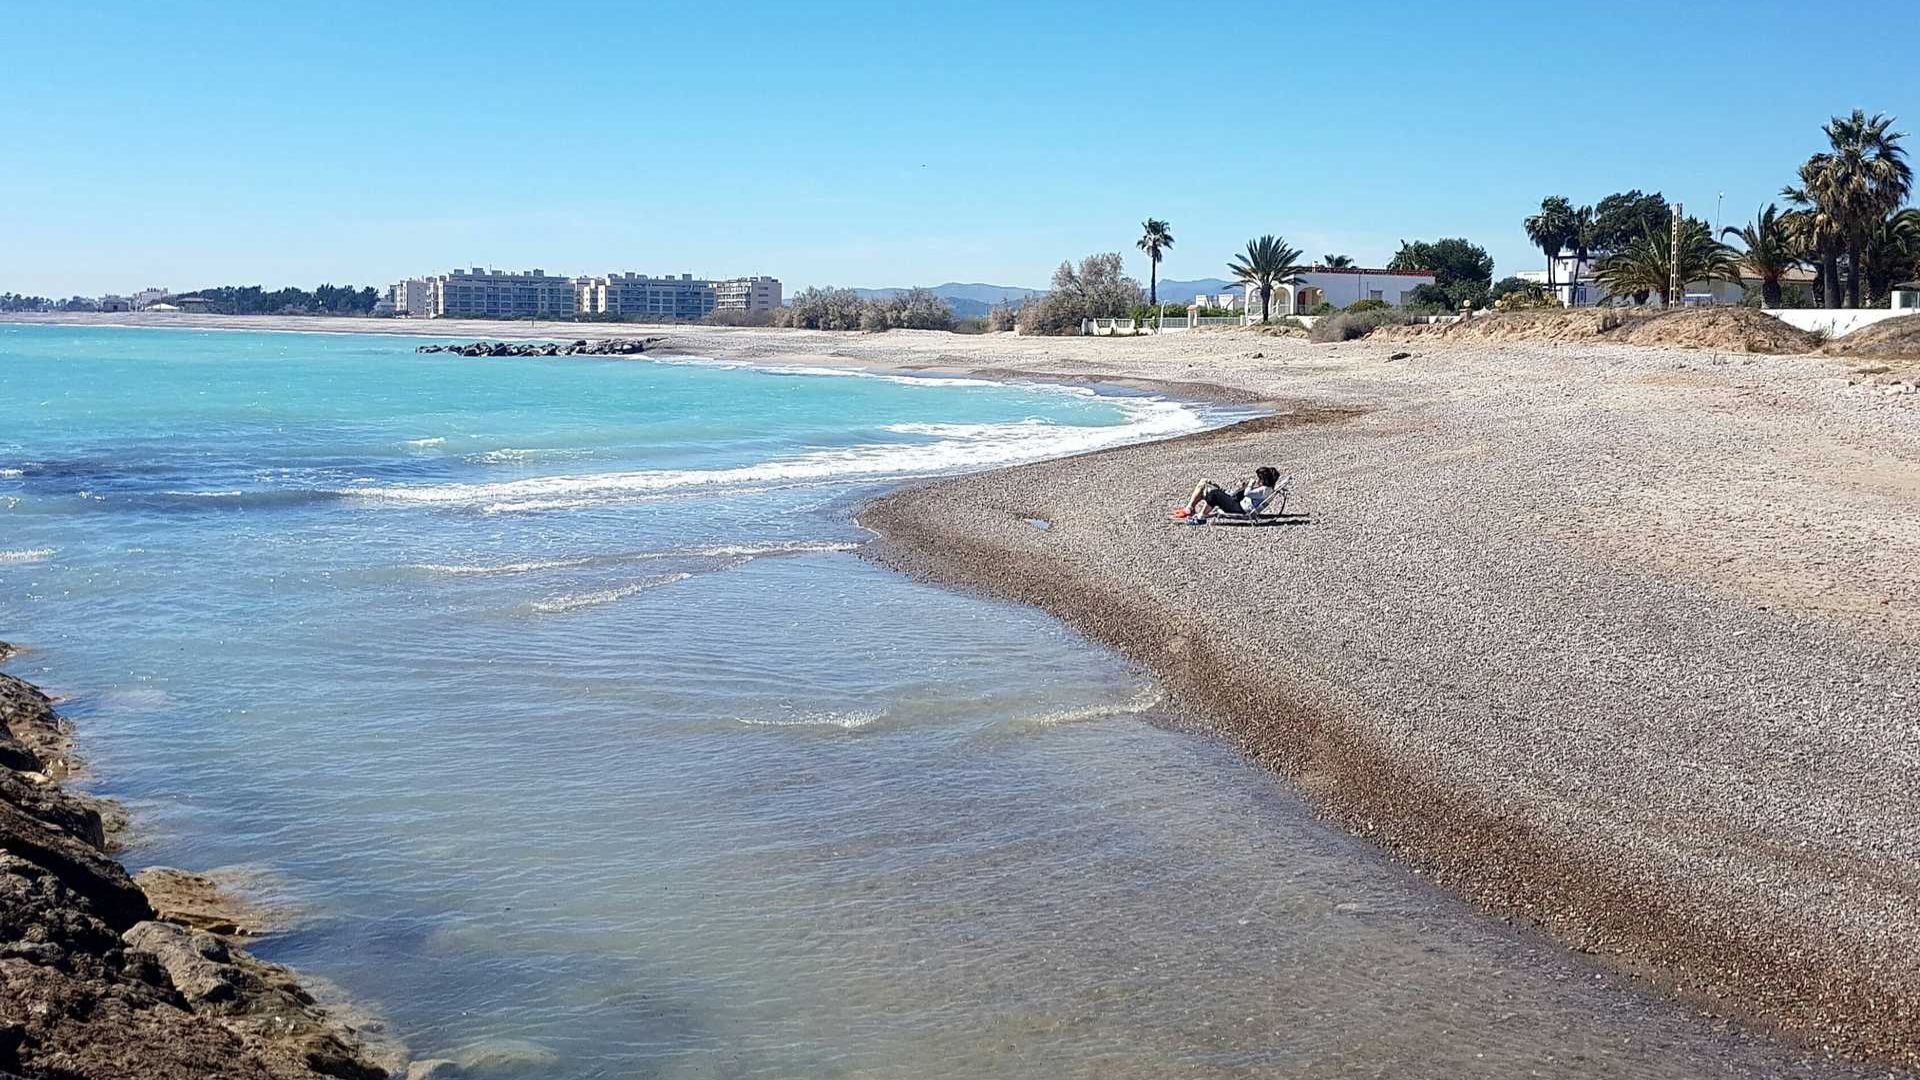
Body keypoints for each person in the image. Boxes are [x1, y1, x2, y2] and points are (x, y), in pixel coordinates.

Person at [1184, 466, 1281, 520]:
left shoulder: (1263, 490)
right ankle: (1192, 509)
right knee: (1207, 486)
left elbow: (1247, 493)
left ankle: (1200, 515)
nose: (1258, 480)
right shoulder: (1268, 490)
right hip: (1240, 504)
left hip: (1239, 508)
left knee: (1214, 494)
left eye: (1260, 478)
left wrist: (1250, 484)